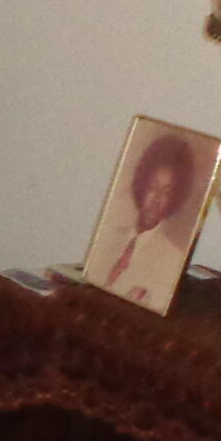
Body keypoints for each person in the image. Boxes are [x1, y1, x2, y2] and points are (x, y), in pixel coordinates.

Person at [86, 131, 205, 310]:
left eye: (166, 192)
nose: (156, 198)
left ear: (175, 197)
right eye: (153, 187)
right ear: (142, 186)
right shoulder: (109, 236)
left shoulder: (172, 259)